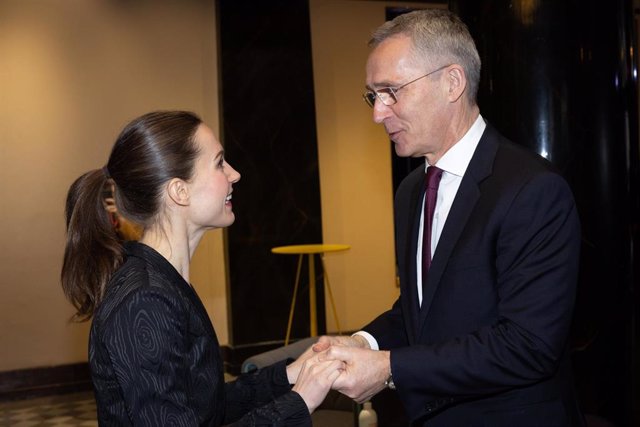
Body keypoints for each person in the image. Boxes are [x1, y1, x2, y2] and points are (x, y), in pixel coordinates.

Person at [315, 9, 585, 426]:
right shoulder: (410, 191)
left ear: (452, 83)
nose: (377, 113)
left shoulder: (532, 189)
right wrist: (363, 341)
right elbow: (422, 311)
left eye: (391, 91)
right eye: (373, 95)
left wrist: (389, 367)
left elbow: (527, 346)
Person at [61, 110, 343, 426]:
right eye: (220, 163)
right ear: (179, 191)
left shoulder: (164, 283)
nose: (234, 174)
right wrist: (300, 401)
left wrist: (291, 374)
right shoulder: (144, 300)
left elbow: (206, 407)